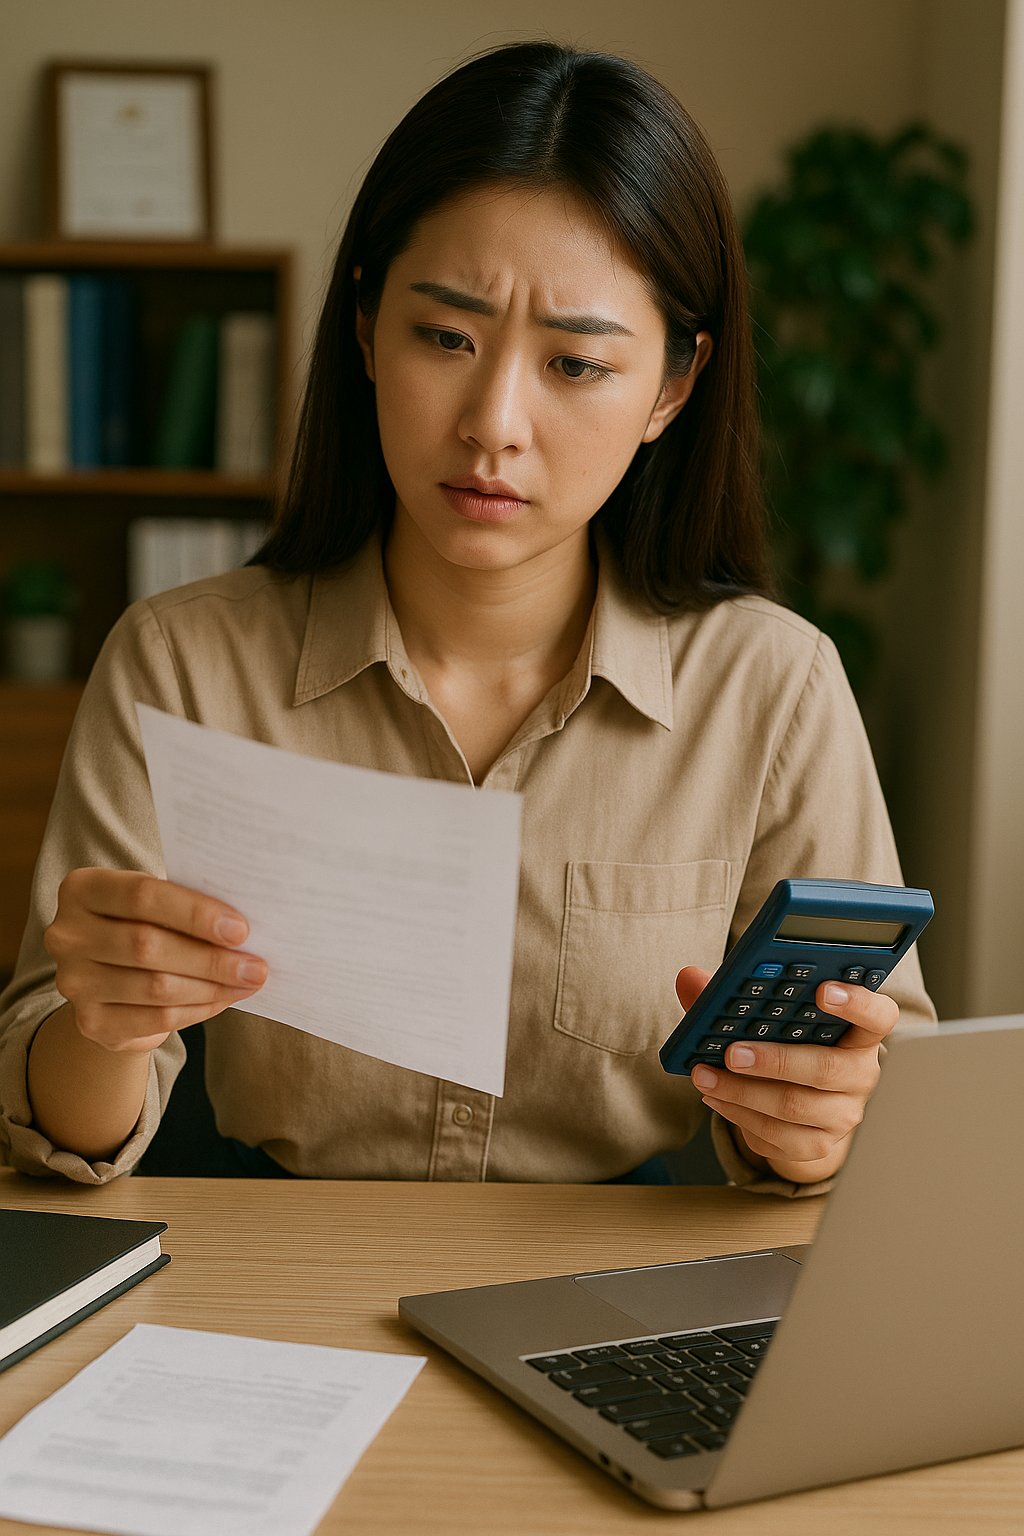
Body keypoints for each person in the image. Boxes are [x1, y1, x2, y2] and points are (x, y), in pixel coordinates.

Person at [0, 42, 934, 1193]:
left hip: (612, 1292)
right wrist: (104, 1024)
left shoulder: (774, 690)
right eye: (444, 338)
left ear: (673, 389)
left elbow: (878, 1092)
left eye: (576, 365)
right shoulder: (182, 662)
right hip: (272, 1278)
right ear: (364, 324)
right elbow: (59, 1139)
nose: (493, 423)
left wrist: (819, 1124)